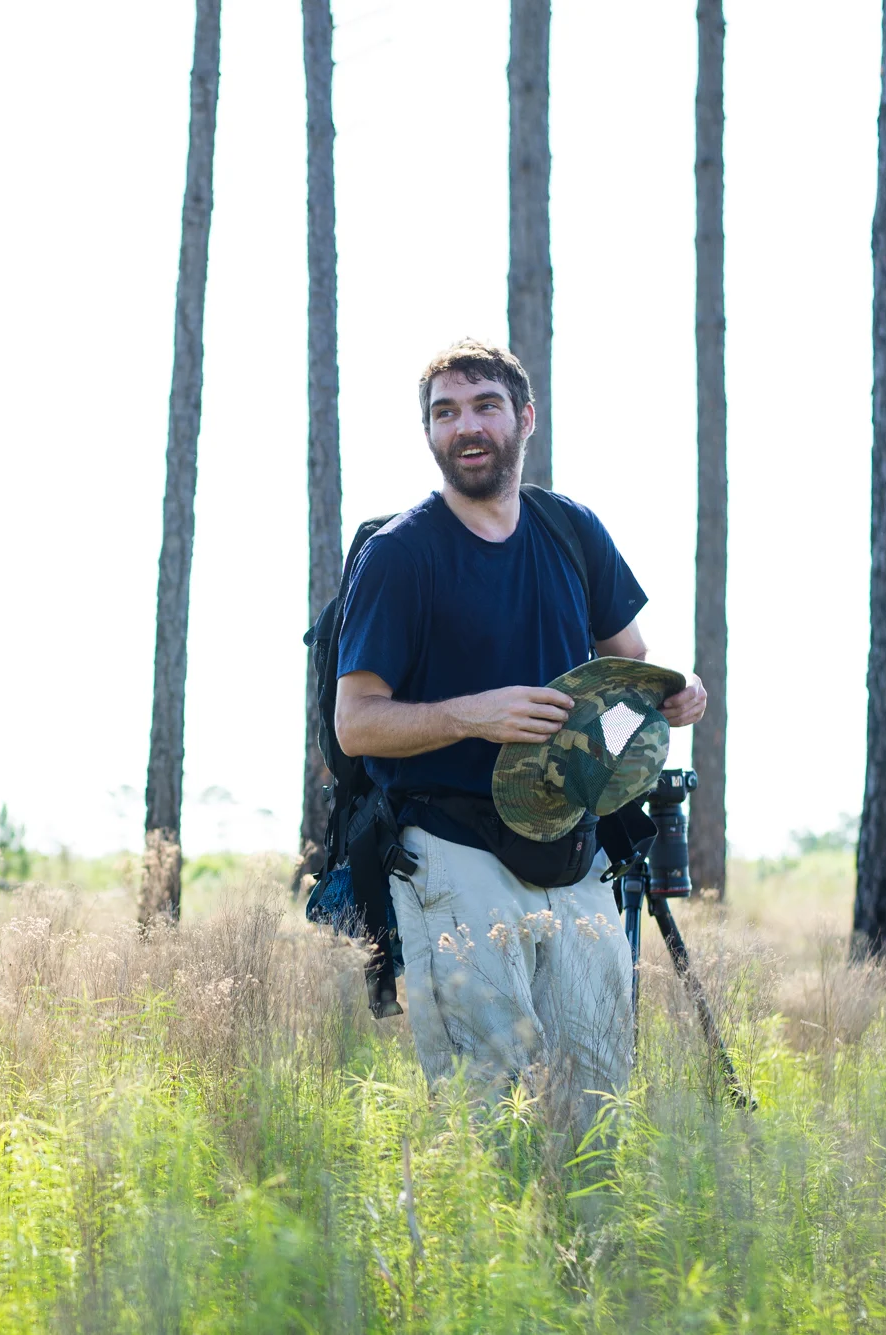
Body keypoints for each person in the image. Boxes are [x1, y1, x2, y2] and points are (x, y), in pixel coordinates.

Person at [332, 339, 708, 1124]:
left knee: (598, 1101)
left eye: (484, 406)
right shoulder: (399, 556)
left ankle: (589, 1253)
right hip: (453, 854)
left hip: (578, 854)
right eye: (445, 412)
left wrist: (677, 692)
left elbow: (629, 664)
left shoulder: (570, 529)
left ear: (524, 418)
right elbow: (356, 722)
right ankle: (486, 1251)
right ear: (430, 433)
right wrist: (477, 713)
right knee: (490, 1112)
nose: (465, 426)